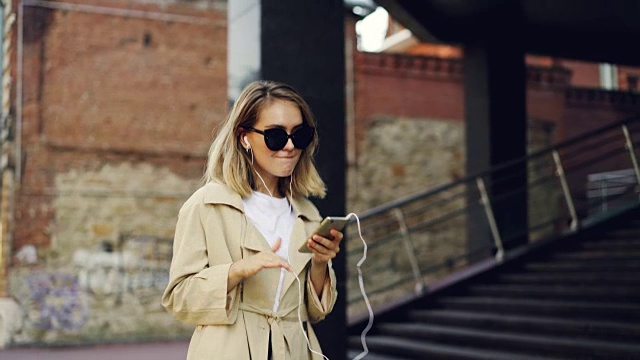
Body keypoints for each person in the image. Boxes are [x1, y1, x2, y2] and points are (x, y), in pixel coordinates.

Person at [162, 80, 343, 360]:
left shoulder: (308, 214)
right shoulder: (208, 204)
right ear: (244, 137)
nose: (290, 146)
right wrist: (237, 270)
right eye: (275, 136)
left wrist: (320, 263)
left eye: (300, 135)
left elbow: (315, 311)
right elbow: (179, 298)